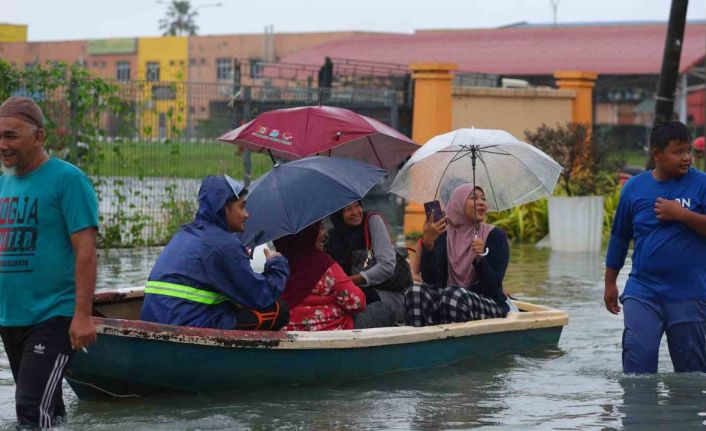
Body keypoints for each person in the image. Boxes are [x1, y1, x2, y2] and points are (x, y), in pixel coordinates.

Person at [0, 96, 99, 429]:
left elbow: (86, 248)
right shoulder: (3, 184)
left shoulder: (67, 180)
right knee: (48, 411)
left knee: (30, 409)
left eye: (11, 136)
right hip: (11, 317)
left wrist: (82, 315)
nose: (3, 144)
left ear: (39, 137)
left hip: (54, 317)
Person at [604, 120, 706, 374]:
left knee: (692, 374)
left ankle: (683, 415)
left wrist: (681, 214)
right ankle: (639, 414)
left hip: (689, 294)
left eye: (689, 150)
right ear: (657, 154)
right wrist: (610, 283)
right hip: (643, 291)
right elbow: (619, 237)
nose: (687, 158)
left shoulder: (702, 185)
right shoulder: (634, 188)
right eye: (678, 151)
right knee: (638, 365)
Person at [140, 175, 290, 330]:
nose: (246, 214)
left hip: (154, 319)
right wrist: (276, 265)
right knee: (279, 311)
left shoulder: (185, 232)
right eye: (242, 207)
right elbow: (260, 296)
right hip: (186, 326)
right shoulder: (224, 244)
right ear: (224, 207)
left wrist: (238, 256)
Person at [405, 183, 511, 326]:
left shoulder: (495, 236)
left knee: (455, 295)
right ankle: (418, 344)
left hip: (488, 303)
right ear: (457, 204)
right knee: (415, 292)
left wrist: (480, 258)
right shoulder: (443, 234)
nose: (481, 203)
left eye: (483, 199)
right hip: (448, 298)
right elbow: (431, 281)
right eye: (474, 198)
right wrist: (428, 244)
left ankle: (457, 345)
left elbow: (492, 286)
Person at [274, 221, 373, 331]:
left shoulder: (275, 267)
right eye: (320, 228)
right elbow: (357, 303)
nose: (326, 234)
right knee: (383, 309)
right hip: (332, 334)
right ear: (307, 234)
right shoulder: (324, 265)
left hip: (287, 335)